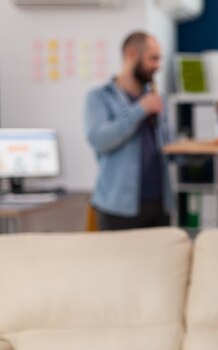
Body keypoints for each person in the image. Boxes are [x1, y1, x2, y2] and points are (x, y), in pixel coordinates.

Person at [84, 31, 172, 230]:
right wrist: (140, 110)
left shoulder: (156, 99)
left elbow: (168, 147)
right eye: (153, 58)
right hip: (117, 210)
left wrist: (195, 151)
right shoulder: (99, 97)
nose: (158, 66)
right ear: (132, 54)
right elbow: (99, 140)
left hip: (159, 205)